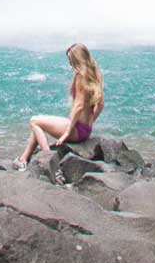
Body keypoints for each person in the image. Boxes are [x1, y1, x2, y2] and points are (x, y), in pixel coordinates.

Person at [13, 43, 104, 183]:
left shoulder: (81, 77)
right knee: (39, 126)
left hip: (76, 130)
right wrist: (90, 123)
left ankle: (52, 165)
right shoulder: (94, 74)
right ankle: (23, 159)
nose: (69, 64)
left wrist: (68, 131)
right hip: (85, 130)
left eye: (71, 61)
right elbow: (101, 105)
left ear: (77, 60)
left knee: (34, 121)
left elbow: (79, 106)